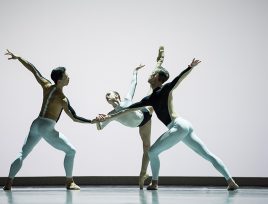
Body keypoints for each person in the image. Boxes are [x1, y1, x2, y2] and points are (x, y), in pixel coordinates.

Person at [101, 55, 239, 191]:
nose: (148, 76)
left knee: (152, 152)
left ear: (156, 77)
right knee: (207, 155)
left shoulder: (165, 89)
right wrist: (106, 117)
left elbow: (178, 80)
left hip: (177, 126)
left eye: (151, 74)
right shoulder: (149, 99)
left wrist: (189, 67)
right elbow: (127, 110)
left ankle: (154, 183)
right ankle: (230, 181)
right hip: (184, 125)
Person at [3, 50, 97, 190]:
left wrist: (19, 58)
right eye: (66, 76)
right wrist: (92, 121)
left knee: (22, 153)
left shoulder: (46, 85)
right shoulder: (62, 98)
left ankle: (8, 183)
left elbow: (33, 69)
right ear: (60, 81)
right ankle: (69, 182)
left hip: (36, 123)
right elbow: (74, 118)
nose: (69, 77)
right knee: (71, 151)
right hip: (46, 126)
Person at [96, 47, 165, 189]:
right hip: (141, 124)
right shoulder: (111, 115)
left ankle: (159, 61)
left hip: (145, 112)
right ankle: (143, 174)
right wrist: (97, 121)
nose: (107, 96)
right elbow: (100, 127)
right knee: (146, 148)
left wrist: (135, 71)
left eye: (109, 94)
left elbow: (133, 84)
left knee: (154, 91)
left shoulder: (127, 100)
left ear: (117, 96)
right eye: (106, 96)